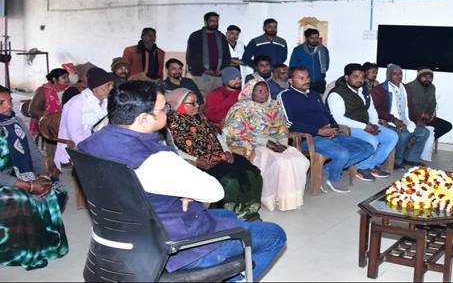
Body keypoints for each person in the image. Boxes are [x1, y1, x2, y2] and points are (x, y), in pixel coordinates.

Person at [78, 81, 285, 279]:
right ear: (143, 119)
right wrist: (186, 189)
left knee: (226, 214)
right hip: (174, 247)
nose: (167, 113)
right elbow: (215, 191)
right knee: (275, 234)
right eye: (163, 109)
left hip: (120, 238)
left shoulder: (88, 144)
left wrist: (180, 188)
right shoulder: (156, 158)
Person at [165, 88, 263, 221]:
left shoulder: (200, 117)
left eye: (197, 102)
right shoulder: (170, 124)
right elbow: (175, 150)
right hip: (200, 161)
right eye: (192, 103)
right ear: (179, 105)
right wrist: (196, 160)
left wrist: (227, 151)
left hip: (219, 154)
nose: (197, 106)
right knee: (231, 181)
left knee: (252, 174)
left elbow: (217, 136)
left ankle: (249, 211)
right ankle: (229, 216)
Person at [0, 86, 68, 270]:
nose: (8, 106)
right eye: (1, 103)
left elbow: (33, 151)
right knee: (20, 198)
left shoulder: (15, 122)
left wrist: (42, 175)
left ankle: (43, 245)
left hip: (17, 173)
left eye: (9, 101)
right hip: (4, 179)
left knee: (54, 189)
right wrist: (28, 186)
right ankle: (18, 250)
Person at [278, 67, 373, 194]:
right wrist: (318, 131)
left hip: (330, 134)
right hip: (309, 138)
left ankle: (326, 171)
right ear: (290, 80)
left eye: (307, 77)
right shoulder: (285, 96)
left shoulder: (314, 94)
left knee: (367, 148)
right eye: (301, 78)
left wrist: (334, 127)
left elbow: (327, 114)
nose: (306, 80)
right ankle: (334, 178)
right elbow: (289, 123)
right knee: (342, 154)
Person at [223, 79, 309, 211]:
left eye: (266, 91)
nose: (264, 94)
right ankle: (270, 198)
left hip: (275, 143)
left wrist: (282, 143)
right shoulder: (241, 108)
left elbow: (282, 127)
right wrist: (265, 142)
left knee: (299, 160)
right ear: (250, 92)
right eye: (259, 91)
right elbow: (235, 131)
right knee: (280, 162)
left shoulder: (274, 106)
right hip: (252, 144)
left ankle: (290, 198)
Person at [327, 63, 397, 181]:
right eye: (356, 76)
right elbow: (339, 119)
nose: (360, 80)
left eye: (362, 77)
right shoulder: (336, 93)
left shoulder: (364, 90)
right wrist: (365, 127)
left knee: (392, 136)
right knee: (372, 140)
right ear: (346, 77)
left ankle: (372, 164)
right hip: (346, 128)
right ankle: (362, 168)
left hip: (366, 125)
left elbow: (371, 109)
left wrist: (374, 124)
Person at [370, 64, 430, 170]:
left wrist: (418, 119)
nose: (398, 76)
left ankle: (411, 158)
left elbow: (411, 107)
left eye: (400, 74)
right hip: (388, 122)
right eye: (395, 74)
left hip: (406, 121)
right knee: (404, 135)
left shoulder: (406, 88)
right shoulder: (379, 90)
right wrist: (393, 119)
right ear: (388, 75)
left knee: (424, 132)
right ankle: (396, 161)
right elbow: (376, 110)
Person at [55, 67, 114, 170]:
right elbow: (75, 135)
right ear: (95, 89)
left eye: (112, 84)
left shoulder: (106, 101)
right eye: (108, 85)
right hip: (78, 147)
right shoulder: (77, 103)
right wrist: (96, 148)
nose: (111, 87)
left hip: (99, 144)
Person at [407, 67, 453, 161]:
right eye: (425, 77)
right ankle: (416, 144)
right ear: (419, 76)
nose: (427, 79)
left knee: (447, 126)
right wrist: (420, 116)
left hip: (425, 118)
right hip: (411, 118)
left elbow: (433, 103)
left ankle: (424, 143)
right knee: (420, 128)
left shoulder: (432, 87)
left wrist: (429, 115)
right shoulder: (409, 87)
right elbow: (408, 107)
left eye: (430, 77)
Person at [186, 12, 232, 95]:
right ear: (205, 22)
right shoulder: (196, 36)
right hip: (201, 75)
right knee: (201, 99)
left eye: (216, 21)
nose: (215, 23)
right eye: (212, 21)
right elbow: (191, 57)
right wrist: (206, 71)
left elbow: (227, 56)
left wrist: (222, 70)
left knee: (216, 98)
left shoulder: (221, 37)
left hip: (218, 76)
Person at [289, 28, 330, 94]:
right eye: (312, 38)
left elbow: (326, 66)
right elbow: (292, 67)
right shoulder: (298, 50)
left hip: (319, 83)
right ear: (306, 38)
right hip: (303, 83)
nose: (315, 40)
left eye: (317, 37)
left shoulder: (323, 50)